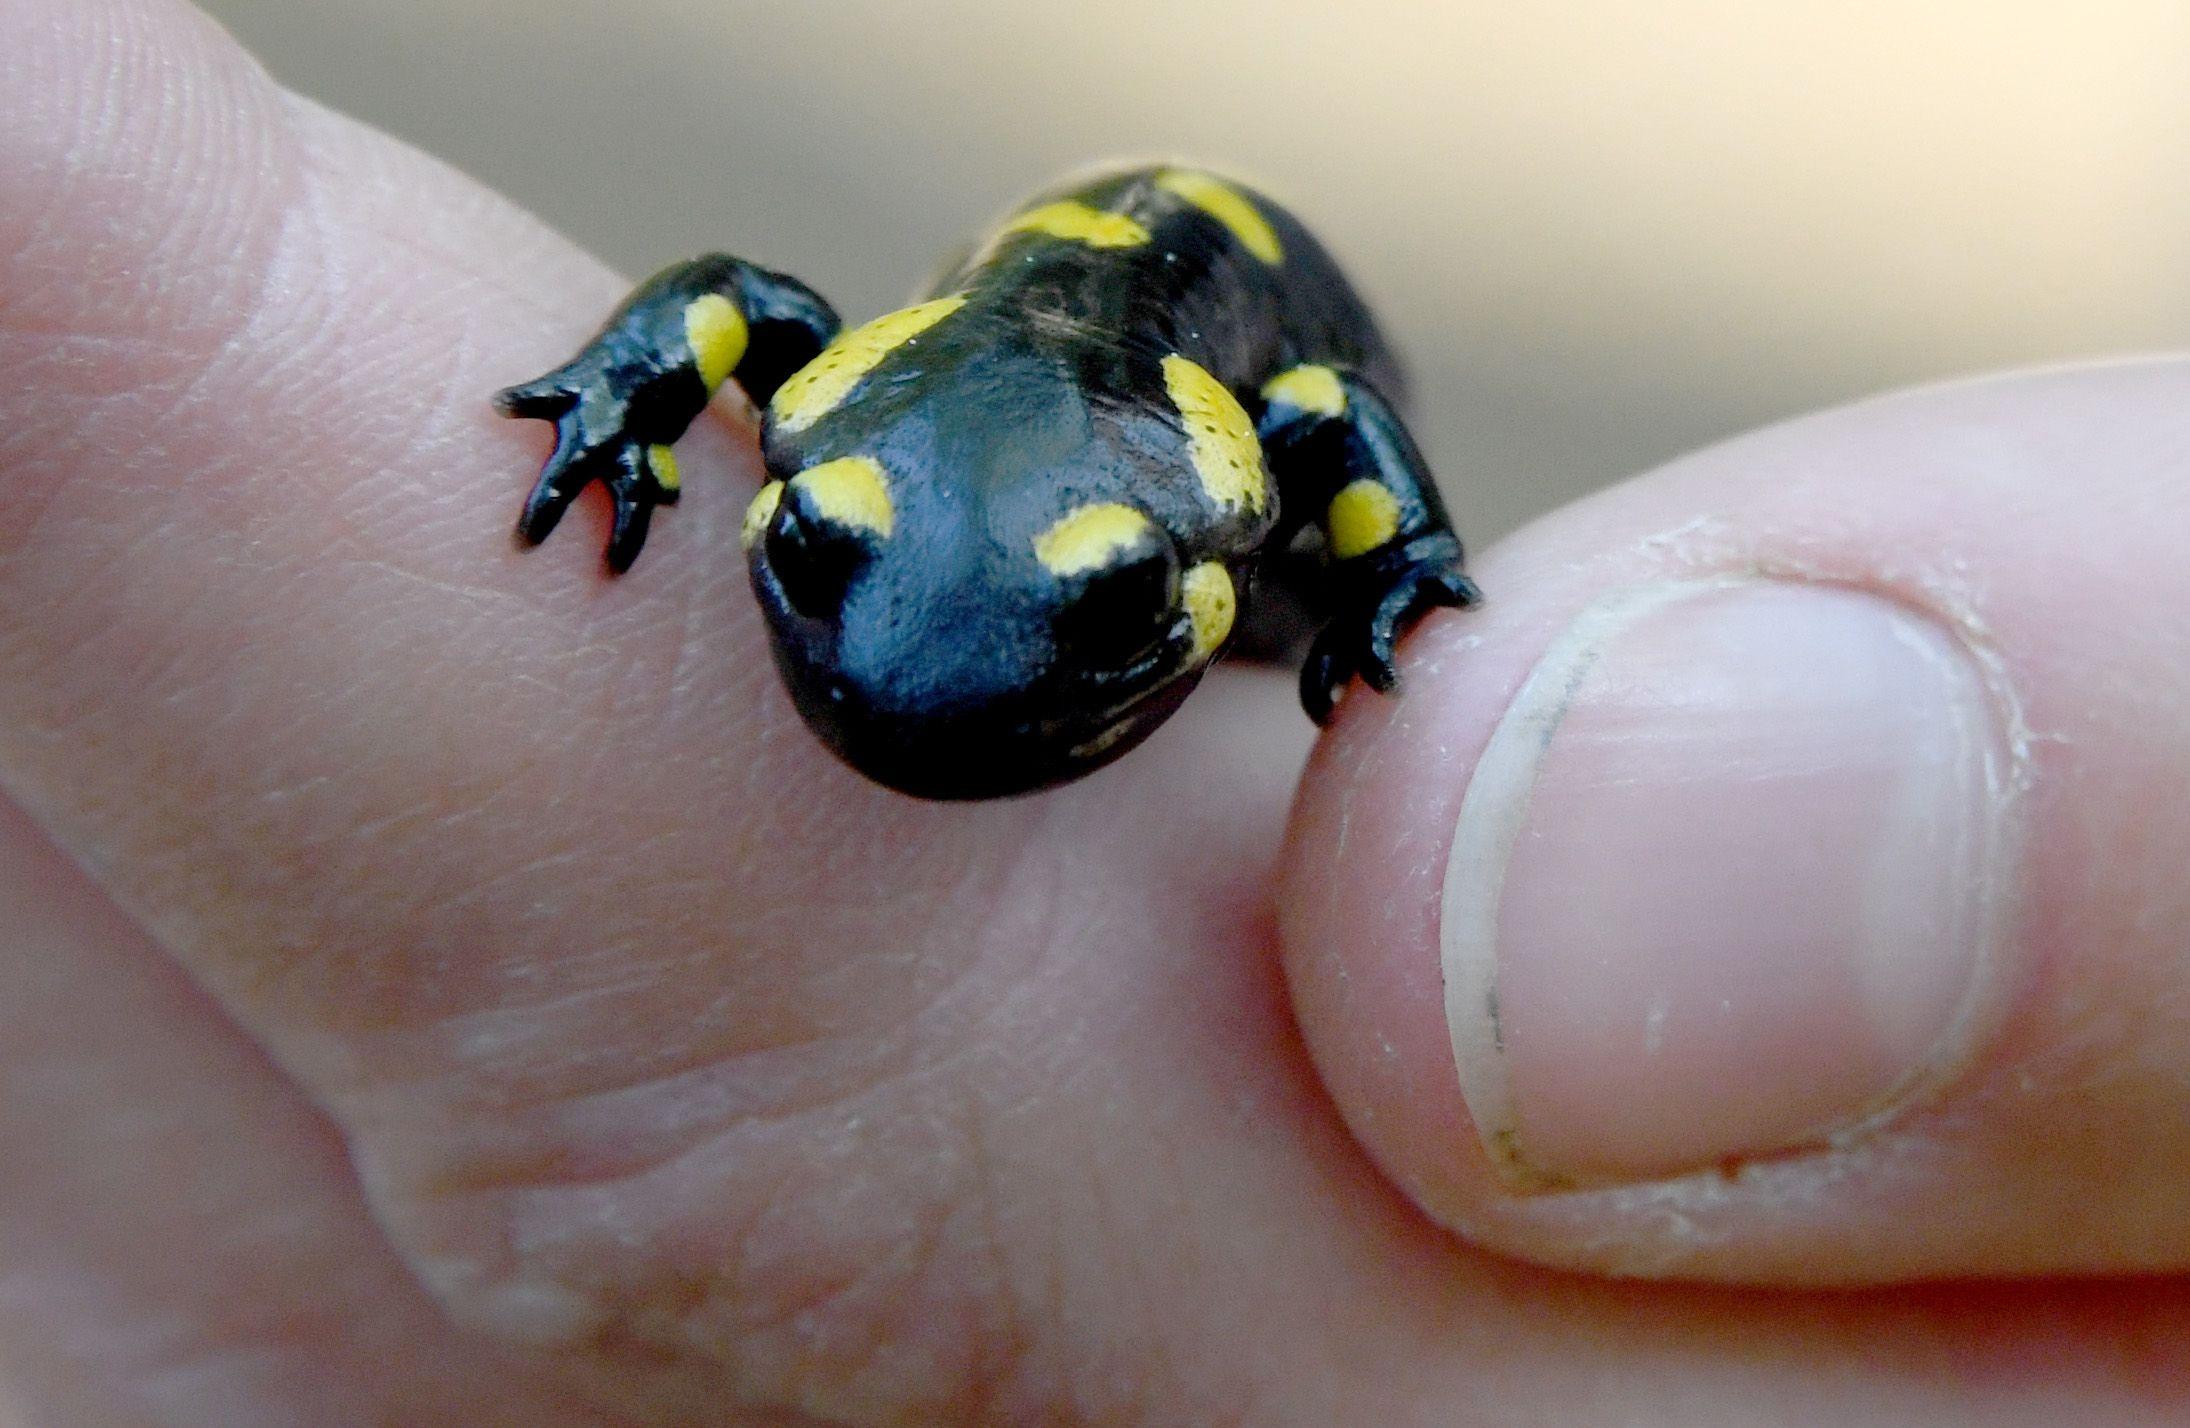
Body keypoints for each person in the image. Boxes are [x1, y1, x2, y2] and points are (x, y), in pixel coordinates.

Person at [2, 0, 2185, 1421]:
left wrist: (1393, 573)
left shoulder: (1246, 438)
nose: (884, 674)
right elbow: (726, 306)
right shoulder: (867, 400)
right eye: (810, 552)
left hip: (1164, 399)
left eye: (1121, 604)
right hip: (1049, 427)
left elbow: (1325, 417)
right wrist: (618, 393)